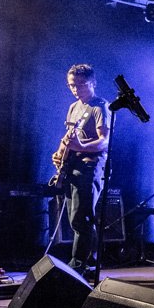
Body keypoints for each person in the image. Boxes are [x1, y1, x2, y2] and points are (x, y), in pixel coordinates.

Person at [52, 64, 110, 275]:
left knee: (81, 216)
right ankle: (87, 260)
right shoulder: (73, 107)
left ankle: (79, 265)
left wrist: (81, 147)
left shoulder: (100, 107)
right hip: (73, 166)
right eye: (71, 85)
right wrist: (60, 153)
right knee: (73, 217)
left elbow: (104, 141)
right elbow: (69, 137)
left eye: (81, 84)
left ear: (93, 83)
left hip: (90, 166)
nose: (76, 89)